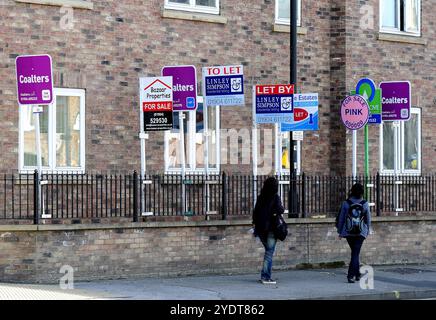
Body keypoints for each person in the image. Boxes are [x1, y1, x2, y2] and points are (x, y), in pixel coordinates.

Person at [336, 183, 372, 283]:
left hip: (348, 232)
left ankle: (356, 274)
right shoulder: (364, 203)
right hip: (361, 232)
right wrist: (368, 230)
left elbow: (341, 219)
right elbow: (368, 219)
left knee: (354, 253)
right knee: (355, 253)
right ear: (362, 192)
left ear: (352, 191)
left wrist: (339, 231)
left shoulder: (346, 203)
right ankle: (351, 275)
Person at [252, 177, 284, 284]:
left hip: (261, 229)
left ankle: (265, 275)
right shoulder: (275, 197)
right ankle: (265, 276)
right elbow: (281, 209)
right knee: (269, 253)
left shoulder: (261, 197)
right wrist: (274, 212)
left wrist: (255, 225)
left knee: (268, 252)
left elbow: (255, 212)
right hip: (271, 229)